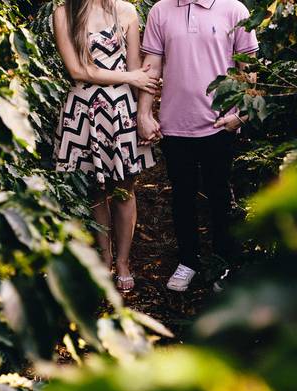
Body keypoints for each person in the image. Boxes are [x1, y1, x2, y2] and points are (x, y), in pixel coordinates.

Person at [137, 0, 258, 292]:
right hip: (176, 124)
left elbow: (249, 68)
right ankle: (188, 261)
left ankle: (222, 263)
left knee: (219, 195)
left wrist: (241, 116)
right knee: (182, 196)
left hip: (220, 124)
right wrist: (144, 113)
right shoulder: (161, 10)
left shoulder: (234, 9)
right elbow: (151, 68)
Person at [53, 0, 157, 292]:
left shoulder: (125, 11)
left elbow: (138, 68)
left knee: (124, 189)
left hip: (119, 109)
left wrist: (144, 115)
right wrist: (129, 77)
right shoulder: (64, 12)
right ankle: (104, 258)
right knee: (95, 189)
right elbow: (77, 70)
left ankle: (123, 261)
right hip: (83, 109)